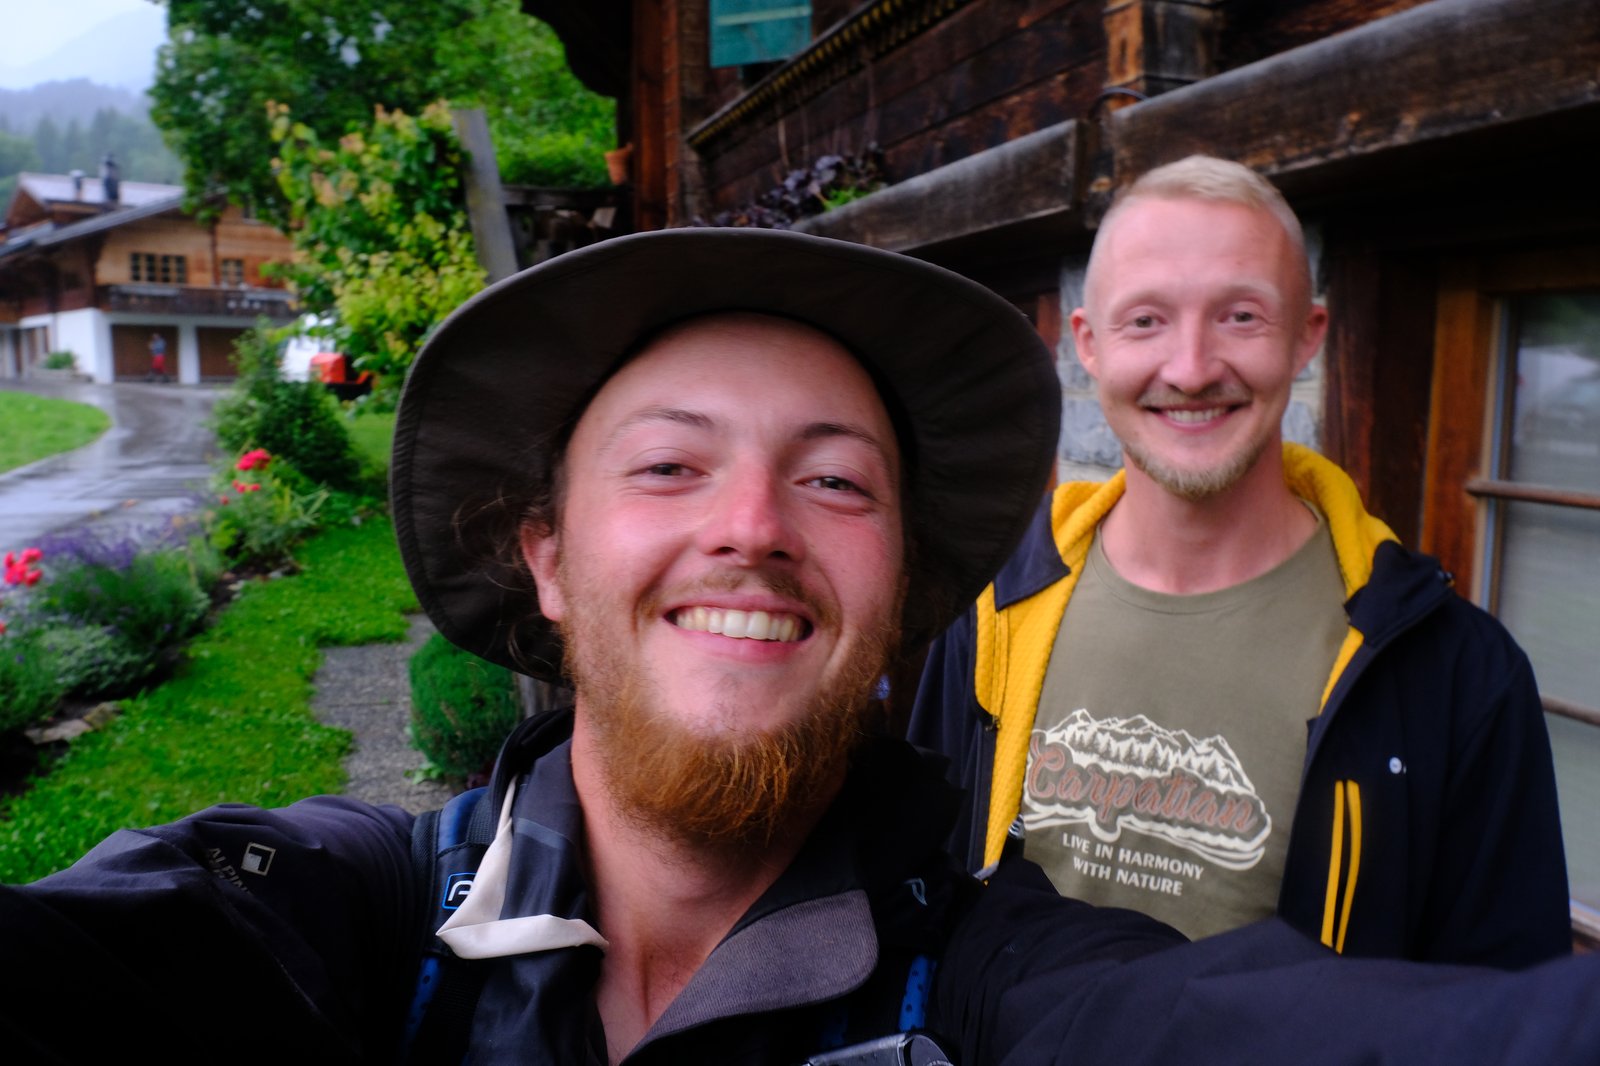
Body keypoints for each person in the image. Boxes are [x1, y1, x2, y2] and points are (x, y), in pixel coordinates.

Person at [5, 228, 1600, 1065]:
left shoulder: (993, 982)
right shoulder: (346, 926)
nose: (756, 522)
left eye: (837, 479)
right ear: (547, 557)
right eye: (670, 463)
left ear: (898, 586)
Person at [908, 155, 1570, 968]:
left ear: (1306, 337)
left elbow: (1499, 1006)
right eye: (1145, 320)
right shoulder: (989, 613)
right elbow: (918, 894)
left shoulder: (1454, 670)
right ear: (1087, 344)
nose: (1190, 369)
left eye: (1241, 317)